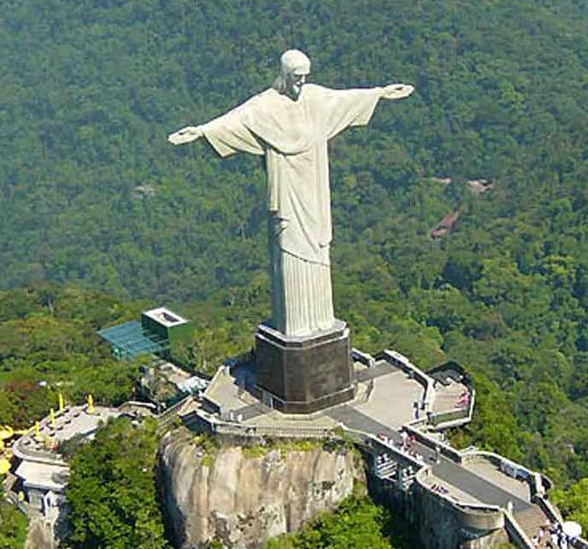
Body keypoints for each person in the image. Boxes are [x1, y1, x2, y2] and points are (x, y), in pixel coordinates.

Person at [168, 50, 413, 338]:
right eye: (297, 77)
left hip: (315, 190)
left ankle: (321, 320)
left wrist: (380, 93)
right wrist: (201, 132)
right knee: (290, 248)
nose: (302, 82)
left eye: (305, 76)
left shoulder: (315, 98)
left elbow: (344, 99)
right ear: (284, 76)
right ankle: (295, 325)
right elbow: (236, 120)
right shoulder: (265, 106)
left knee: (318, 249)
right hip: (287, 192)